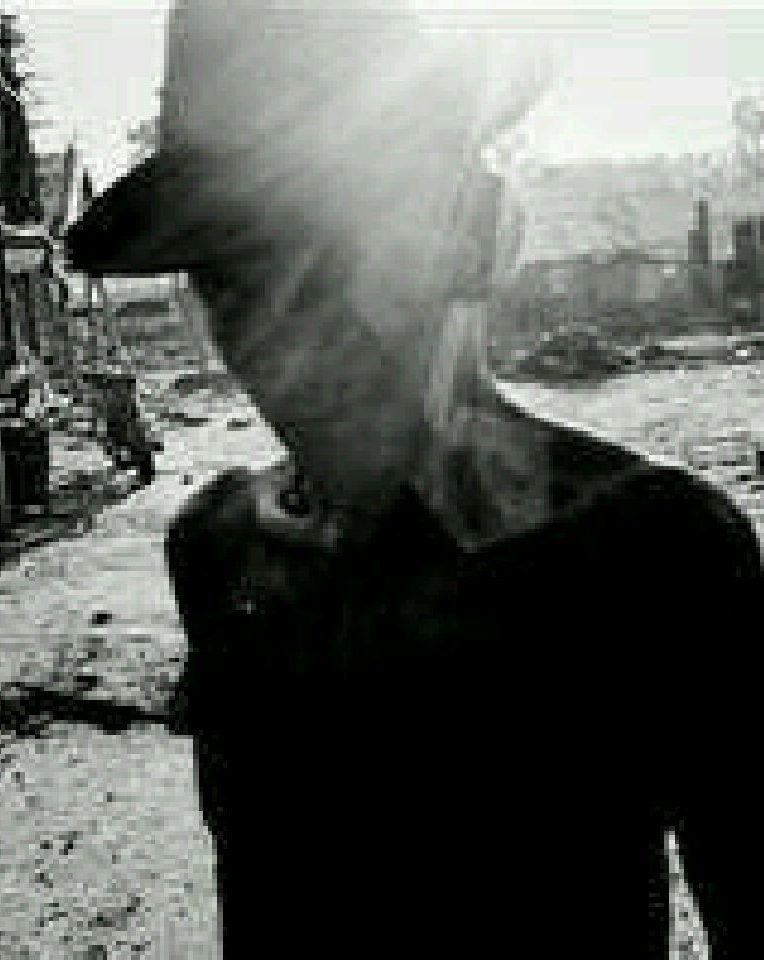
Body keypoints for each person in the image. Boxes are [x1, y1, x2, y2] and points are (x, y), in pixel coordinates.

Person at [66, 2, 762, 955]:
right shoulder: (221, 548)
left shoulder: (648, 551)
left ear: (468, 234)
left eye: (330, 258)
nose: (277, 331)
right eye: (228, 276)